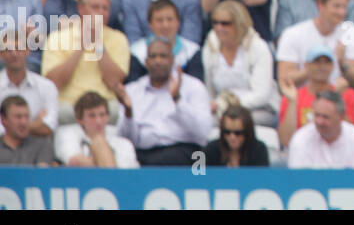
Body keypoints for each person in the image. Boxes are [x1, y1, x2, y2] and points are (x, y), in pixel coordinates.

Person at [113, 38, 213, 166]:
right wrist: (128, 112)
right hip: (142, 153)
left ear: (173, 60)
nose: (158, 61)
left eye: (163, 56)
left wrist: (177, 100)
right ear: (146, 62)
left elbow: (203, 133)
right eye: (153, 56)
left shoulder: (193, 86)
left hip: (183, 152)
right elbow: (126, 139)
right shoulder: (132, 90)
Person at [202, 0, 276, 127]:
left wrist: (228, 105)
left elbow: (262, 94)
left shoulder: (258, 47)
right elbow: (209, 89)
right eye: (215, 23)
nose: (219, 28)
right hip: (221, 109)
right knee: (202, 119)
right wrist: (216, 106)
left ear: (239, 24)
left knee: (237, 122)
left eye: (225, 23)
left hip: (258, 109)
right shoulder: (210, 46)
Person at [286, 91, 354, 168]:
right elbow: (297, 179)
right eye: (317, 115)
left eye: (326, 117)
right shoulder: (301, 138)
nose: (319, 122)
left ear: (341, 116)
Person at [53, 92, 138, 168]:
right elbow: (75, 161)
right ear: (79, 119)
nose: (98, 121)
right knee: (98, 141)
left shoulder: (121, 139)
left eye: (102, 115)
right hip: (77, 181)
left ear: (108, 117)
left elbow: (128, 173)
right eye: (92, 116)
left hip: (116, 184)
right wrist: (106, 162)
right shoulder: (66, 133)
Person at [200, 104, 270, 168]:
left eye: (238, 133)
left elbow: (261, 179)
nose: (232, 137)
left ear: (247, 132)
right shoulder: (211, 150)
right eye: (227, 132)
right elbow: (198, 177)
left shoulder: (258, 150)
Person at [0, 96, 56, 165]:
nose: (24, 122)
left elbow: (42, 173)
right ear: (3, 119)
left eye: (27, 116)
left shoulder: (42, 146)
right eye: (18, 117)